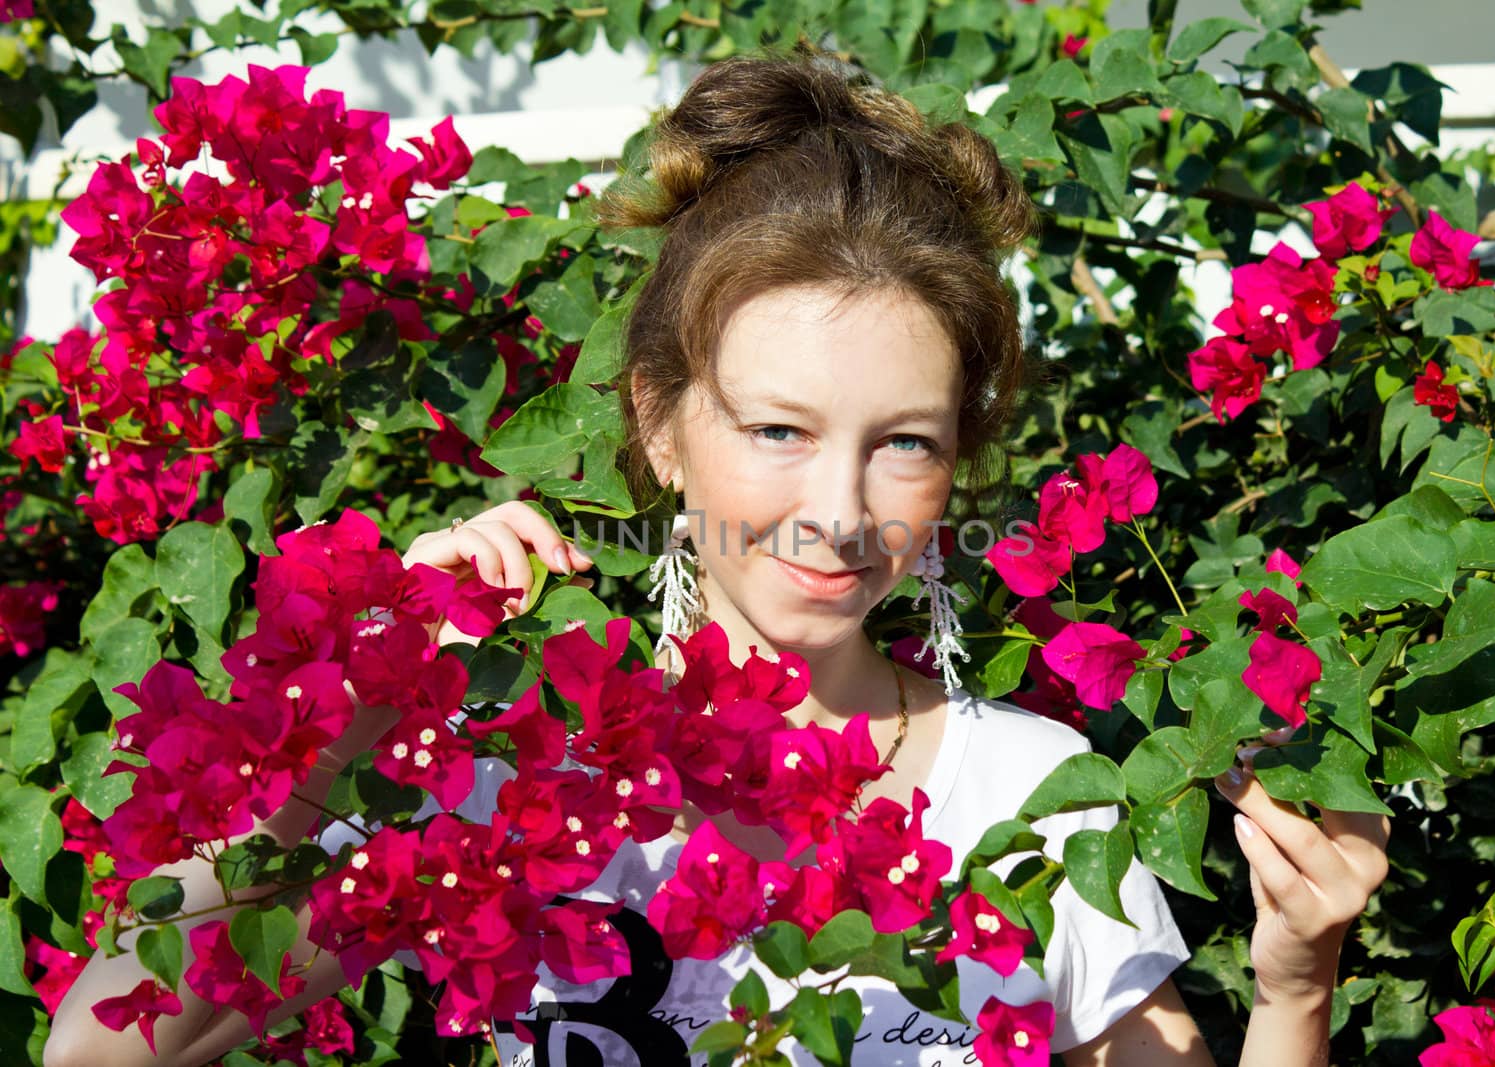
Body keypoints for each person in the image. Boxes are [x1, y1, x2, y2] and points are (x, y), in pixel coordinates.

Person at [45, 52, 1389, 1067]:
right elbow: (99, 1048)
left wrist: (1295, 991)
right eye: (780, 429)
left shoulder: (1033, 796)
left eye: (904, 443)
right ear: (662, 427)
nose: (841, 510)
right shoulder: (513, 773)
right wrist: (356, 717)